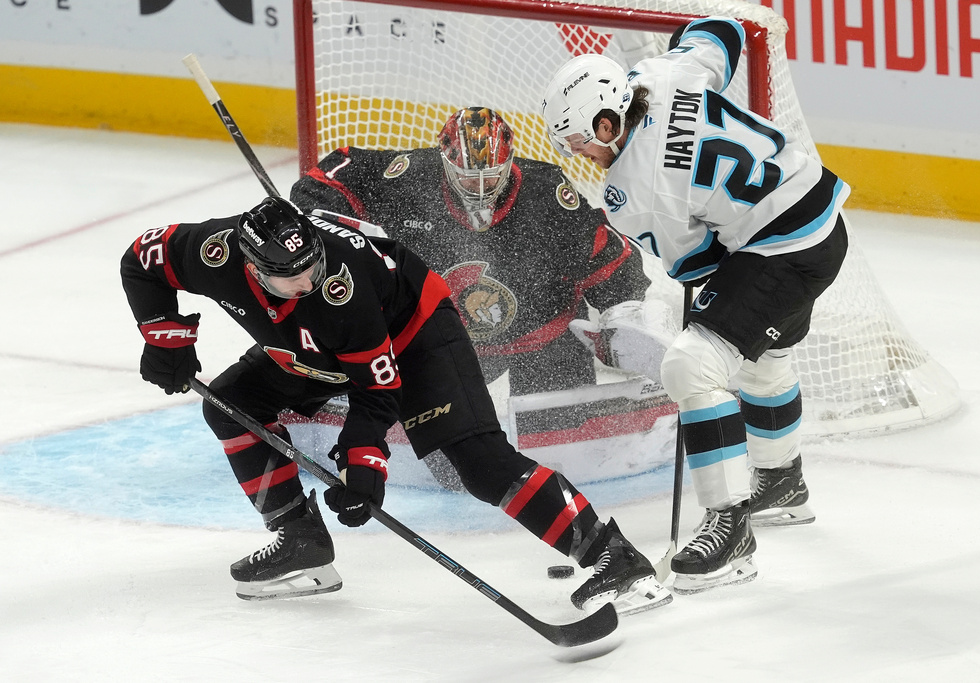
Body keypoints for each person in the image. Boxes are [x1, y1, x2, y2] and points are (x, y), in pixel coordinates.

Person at [119, 195, 672, 615]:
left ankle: (614, 558)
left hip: (415, 335)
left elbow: (377, 388)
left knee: (480, 463)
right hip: (311, 347)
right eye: (291, 277)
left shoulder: (338, 290)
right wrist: (165, 339)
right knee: (229, 405)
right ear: (252, 268)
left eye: (312, 266)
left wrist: (363, 461)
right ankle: (301, 540)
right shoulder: (211, 253)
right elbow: (141, 260)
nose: (309, 280)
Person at [541, 17, 850, 594]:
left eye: (581, 139)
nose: (581, 153)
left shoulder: (631, 191)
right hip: (821, 216)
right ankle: (781, 480)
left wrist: (714, 297)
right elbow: (721, 35)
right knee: (755, 353)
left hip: (783, 248)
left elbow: (695, 263)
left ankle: (730, 528)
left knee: (691, 364)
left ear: (608, 122)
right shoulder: (660, 76)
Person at [289, 106, 674, 399]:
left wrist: (623, 316)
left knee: (560, 439)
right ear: (445, 163)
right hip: (452, 340)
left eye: (490, 177)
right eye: (466, 177)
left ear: (509, 163)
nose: (478, 189)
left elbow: (609, 260)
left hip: (546, 338)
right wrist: (319, 223)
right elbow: (335, 172)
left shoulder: (547, 194)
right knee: (447, 462)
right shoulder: (411, 177)